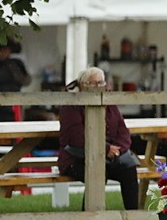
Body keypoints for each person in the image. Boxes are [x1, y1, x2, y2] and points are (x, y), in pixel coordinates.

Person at [58, 67, 141, 210]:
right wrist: (105, 149)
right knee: (98, 171)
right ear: (82, 84)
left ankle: (133, 216)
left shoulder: (108, 100)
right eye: (93, 83)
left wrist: (117, 150)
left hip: (108, 157)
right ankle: (89, 217)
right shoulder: (71, 104)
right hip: (76, 158)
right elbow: (76, 138)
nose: (98, 86)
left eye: (100, 83)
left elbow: (123, 131)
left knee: (129, 168)